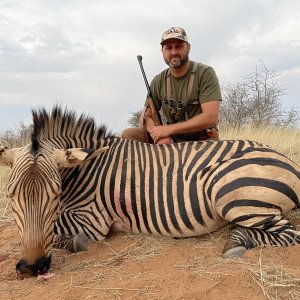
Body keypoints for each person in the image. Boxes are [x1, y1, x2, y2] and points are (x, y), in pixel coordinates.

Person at [122, 26, 222, 144]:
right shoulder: (158, 80)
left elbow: (210, 118)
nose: (174, 52)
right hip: (171, 139)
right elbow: (145, 117)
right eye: (169, 48)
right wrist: (157, 134)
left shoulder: (205, 73)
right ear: (162, 51)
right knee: (128, 134)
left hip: (201, 140)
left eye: (179, 46)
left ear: (188, 48)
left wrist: (167, 130)